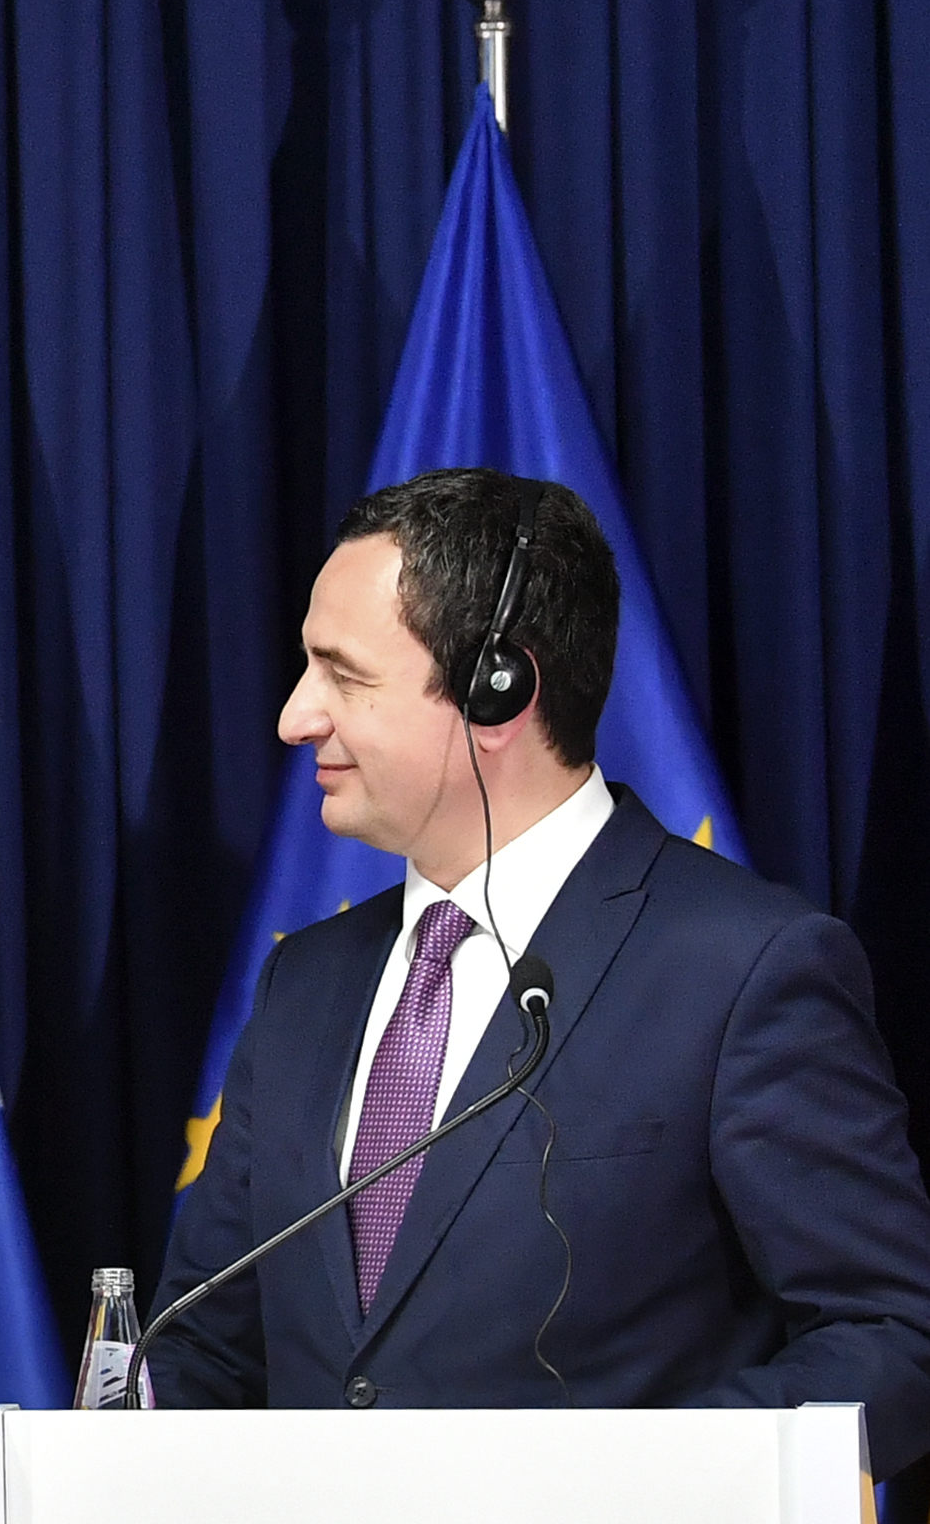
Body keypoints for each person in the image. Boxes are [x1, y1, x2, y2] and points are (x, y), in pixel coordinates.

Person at [150, 468, 930, 1472]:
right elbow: (202, 1339)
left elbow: (888, 1336)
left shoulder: (743, 969)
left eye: (341, 676)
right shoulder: (303, 984)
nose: (295, 717)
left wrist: (601, 1492)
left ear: (496, 689)